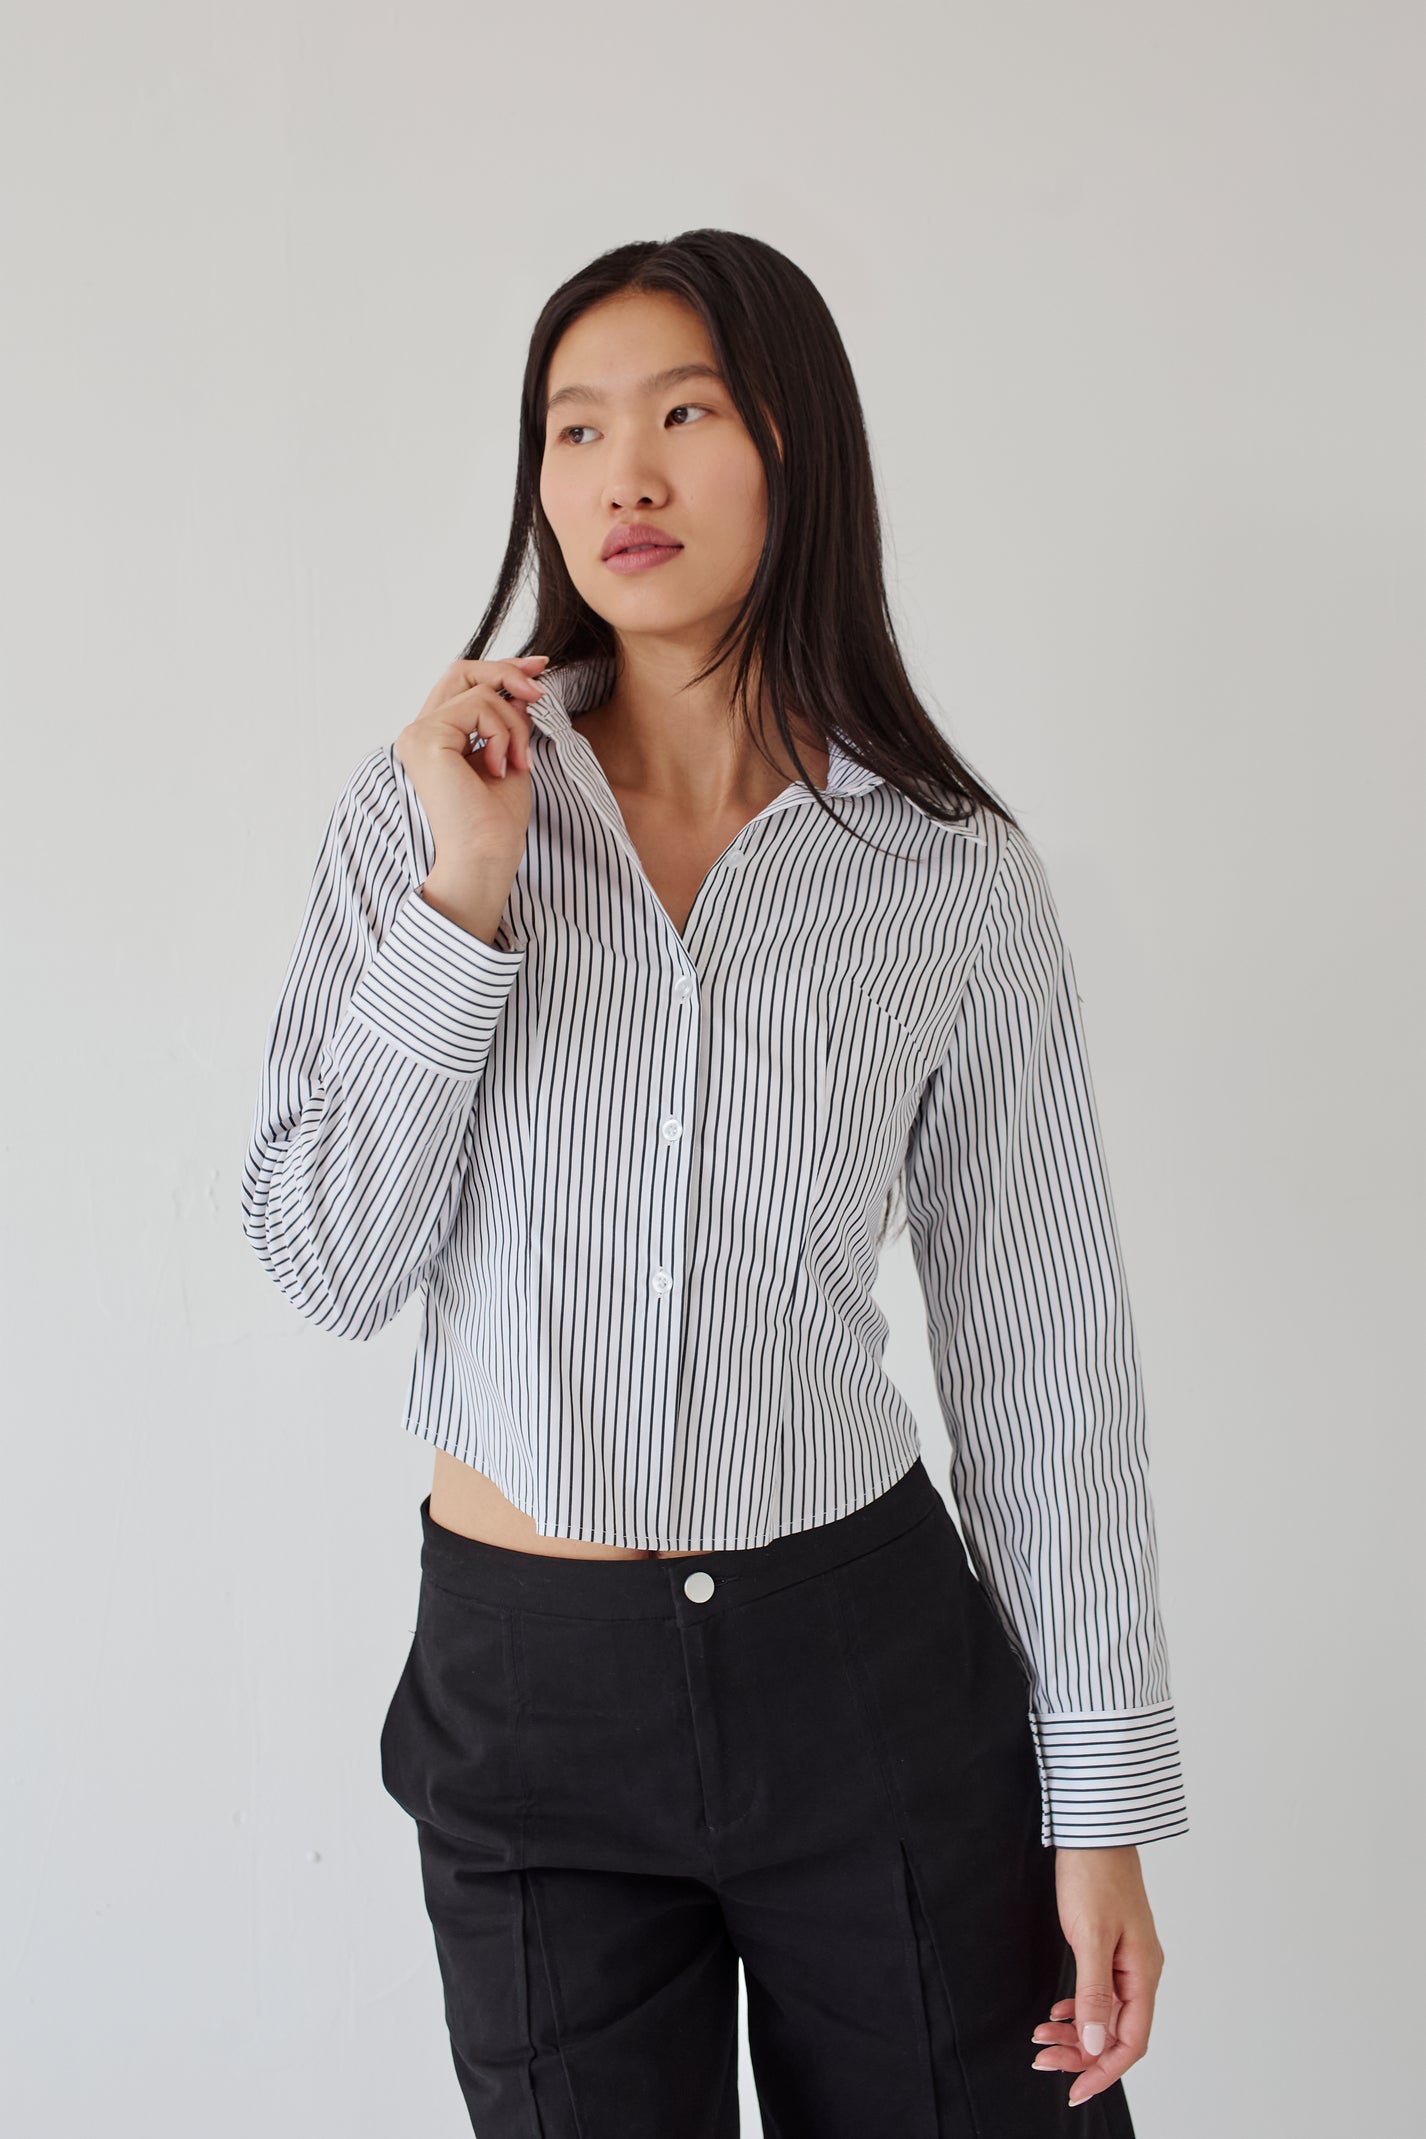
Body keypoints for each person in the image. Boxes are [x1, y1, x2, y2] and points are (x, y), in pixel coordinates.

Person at [240, 227, 1188, 2137]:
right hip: (530, 1700)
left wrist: (1098, 1810)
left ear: (791, 447)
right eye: (575, 429)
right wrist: (467, 896)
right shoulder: (422, 815)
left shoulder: (947, 873)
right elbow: (328, 1260)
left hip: (865, 1668)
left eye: (683, 414)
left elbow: (1044, 1355)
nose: (625, 476)